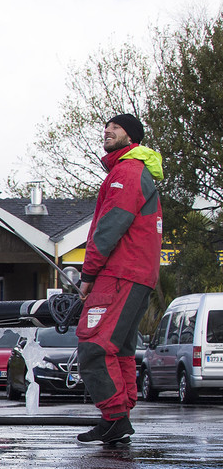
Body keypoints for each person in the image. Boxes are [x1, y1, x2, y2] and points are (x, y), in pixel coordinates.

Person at [75, 114, 162, 446]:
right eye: (106, 127)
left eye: (116, 127)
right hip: (138, 275)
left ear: (132, 137)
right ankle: (118, 416)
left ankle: (114, 417)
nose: (108, 130)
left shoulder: (126, 172)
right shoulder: (136, 172)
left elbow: (109, 228)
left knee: (94, 346)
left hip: (120, 274)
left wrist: (87, 275)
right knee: (120, 349)